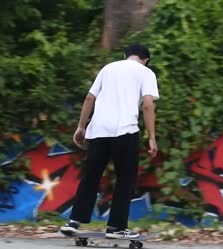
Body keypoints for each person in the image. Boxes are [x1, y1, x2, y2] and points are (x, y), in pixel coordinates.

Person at [59, 44, 159, 239]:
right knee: (125, 179)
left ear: (125, 55)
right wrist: (152, 137)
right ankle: (116, 227)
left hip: (98, 130)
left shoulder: (108, 68)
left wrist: (81, 127)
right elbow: (147, 106)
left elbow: (89, 98)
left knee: (91, 176)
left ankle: (73, 222)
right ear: (146, 59)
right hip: (125, 131)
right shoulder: (146, 73)